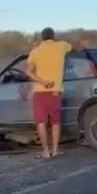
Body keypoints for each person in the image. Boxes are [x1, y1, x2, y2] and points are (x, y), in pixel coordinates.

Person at [26, 28, 84, 159]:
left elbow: (28, 72)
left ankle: (46, 152)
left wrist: (43, 82)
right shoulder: (61, 46)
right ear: (53, 36)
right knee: (55, 122)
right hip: (55, 92)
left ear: (42, 38)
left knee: (41, 122)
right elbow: (75, 48)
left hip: (40, 92)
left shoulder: (35, 51)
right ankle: (56, 150)